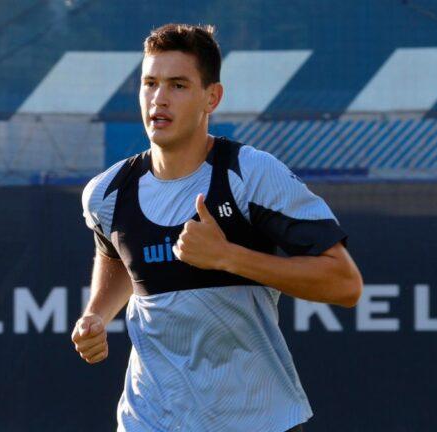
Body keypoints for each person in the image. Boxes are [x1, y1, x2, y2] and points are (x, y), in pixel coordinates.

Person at [71, 24, 363, 432]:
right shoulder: (106, 193)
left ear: (212, 97)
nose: (159, 98)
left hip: (258, 420)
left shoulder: (251, 174)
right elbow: (117, 254)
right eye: (150, 83)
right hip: (149, 420)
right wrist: (97, 314)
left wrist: (229, 257)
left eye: (178, 85)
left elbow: (344, 283)